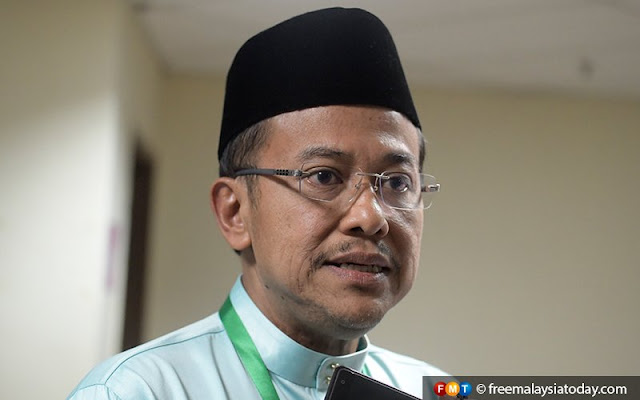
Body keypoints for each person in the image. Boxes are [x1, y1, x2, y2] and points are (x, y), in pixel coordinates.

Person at [68, 7, 446, 400]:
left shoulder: (436, 390)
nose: (370, 216)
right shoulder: (137, 391)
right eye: (323, 176)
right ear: (234, 212)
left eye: (397, 182)